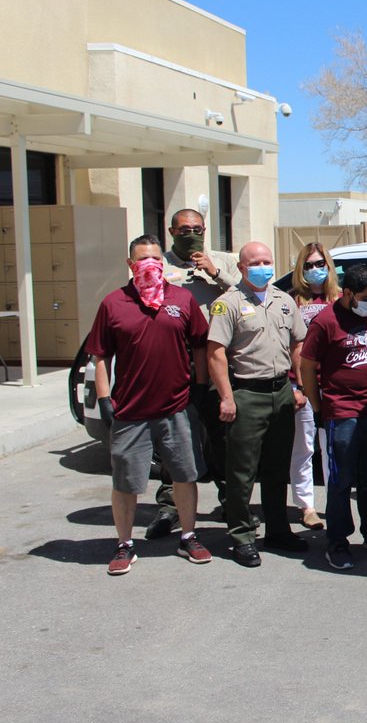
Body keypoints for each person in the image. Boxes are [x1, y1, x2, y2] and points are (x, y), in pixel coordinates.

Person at [87, 235, 211, 575]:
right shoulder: (113, 303)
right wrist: (104, 398)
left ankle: (188, 536)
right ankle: (125, 544)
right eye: (143, 259)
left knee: (185, 476)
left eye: (156, 258)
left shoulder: (181, 299)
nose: (151, 265)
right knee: (125, 483)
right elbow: (100, 356)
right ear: (131, 264)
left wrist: (200, 386)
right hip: (131, 412)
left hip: (177, 408)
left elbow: (200, 345)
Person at [207, 242, 309, 568]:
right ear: (241, 268)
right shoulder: (228, 304)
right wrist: (226, 397)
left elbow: (298, 343)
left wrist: (299, 386)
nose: (263, 267)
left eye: (267, 261)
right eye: (256, 263)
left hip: (281, 392)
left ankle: (278, 530)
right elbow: (215, 353)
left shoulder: (284, 300)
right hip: (247, 394)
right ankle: (242, 536)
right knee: (242, 472)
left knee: (278, 468)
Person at [301, 264, 367, 571]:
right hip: (342, 412)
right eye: (366, 297)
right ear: (348, 294)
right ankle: (337, 541)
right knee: (341, 481)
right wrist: (318, 408)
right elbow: (307, 367)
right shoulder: (325, 321)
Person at [145, 208, 240, 540]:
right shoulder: (161, 265)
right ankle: (170, 507)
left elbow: (248, 299)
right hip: (176, 363)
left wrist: (215, 273)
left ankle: (232, 503)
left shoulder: (223, 262)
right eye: (184, 230)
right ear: (172, 232)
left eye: (197, 229)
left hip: (218, 362)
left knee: (224, 438)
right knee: (174, 439)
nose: (192, 235)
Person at [288, 242, 340, 530]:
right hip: (303, 385)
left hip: (334, 385)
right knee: (304, 447)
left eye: (320, 264)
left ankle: (335, 502)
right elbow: (288, 345)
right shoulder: (292, 301)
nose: (315, 270)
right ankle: (306, 506)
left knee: (332, 448)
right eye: (308, 265)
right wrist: (297, 386)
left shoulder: (341, 299)